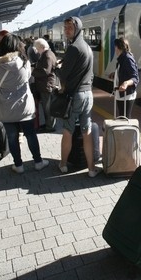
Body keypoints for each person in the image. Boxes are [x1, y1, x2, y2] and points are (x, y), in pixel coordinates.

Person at [0, 34, 49, 173]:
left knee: (12, 136)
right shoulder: (24, 62)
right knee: (30, 134)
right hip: (24, 105)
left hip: (5, 106)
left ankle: (18, 165)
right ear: (18, 46)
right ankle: (38, 162)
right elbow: (28, 78)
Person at [55, 17, 100, 177]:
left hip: (76, 96)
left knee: (68, 131)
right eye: (65, 27)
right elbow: (91, 74)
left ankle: (63, 165)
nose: (67, 30)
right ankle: (92, 169)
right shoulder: (87, 47)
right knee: (86, 131)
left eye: (70, 27)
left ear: (77, 28)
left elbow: (64, 75)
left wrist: (56, 68)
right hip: (88, 94)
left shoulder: (73, 48)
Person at [31, 37, 57, 132]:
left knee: (47, 108)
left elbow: (45, 71)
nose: (37, 51)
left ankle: (50, 127)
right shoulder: (48, 53)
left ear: (42, 47)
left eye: (37, 49)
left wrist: (32, 71)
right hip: (46, 85)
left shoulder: (47, 55)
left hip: (46, 85)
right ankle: (48, 124)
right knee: (47, 107)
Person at [109, 37, 139, 118]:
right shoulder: (122, 58)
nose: (115, 49)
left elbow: (135, 77)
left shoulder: (127, 59)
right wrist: (115, 74)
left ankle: (127, 130)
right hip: (122, 94)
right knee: (122, 116)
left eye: (115, 47)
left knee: (125, 117)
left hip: (127, 94)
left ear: (118, 48)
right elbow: (124, 72)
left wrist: (126, 83)